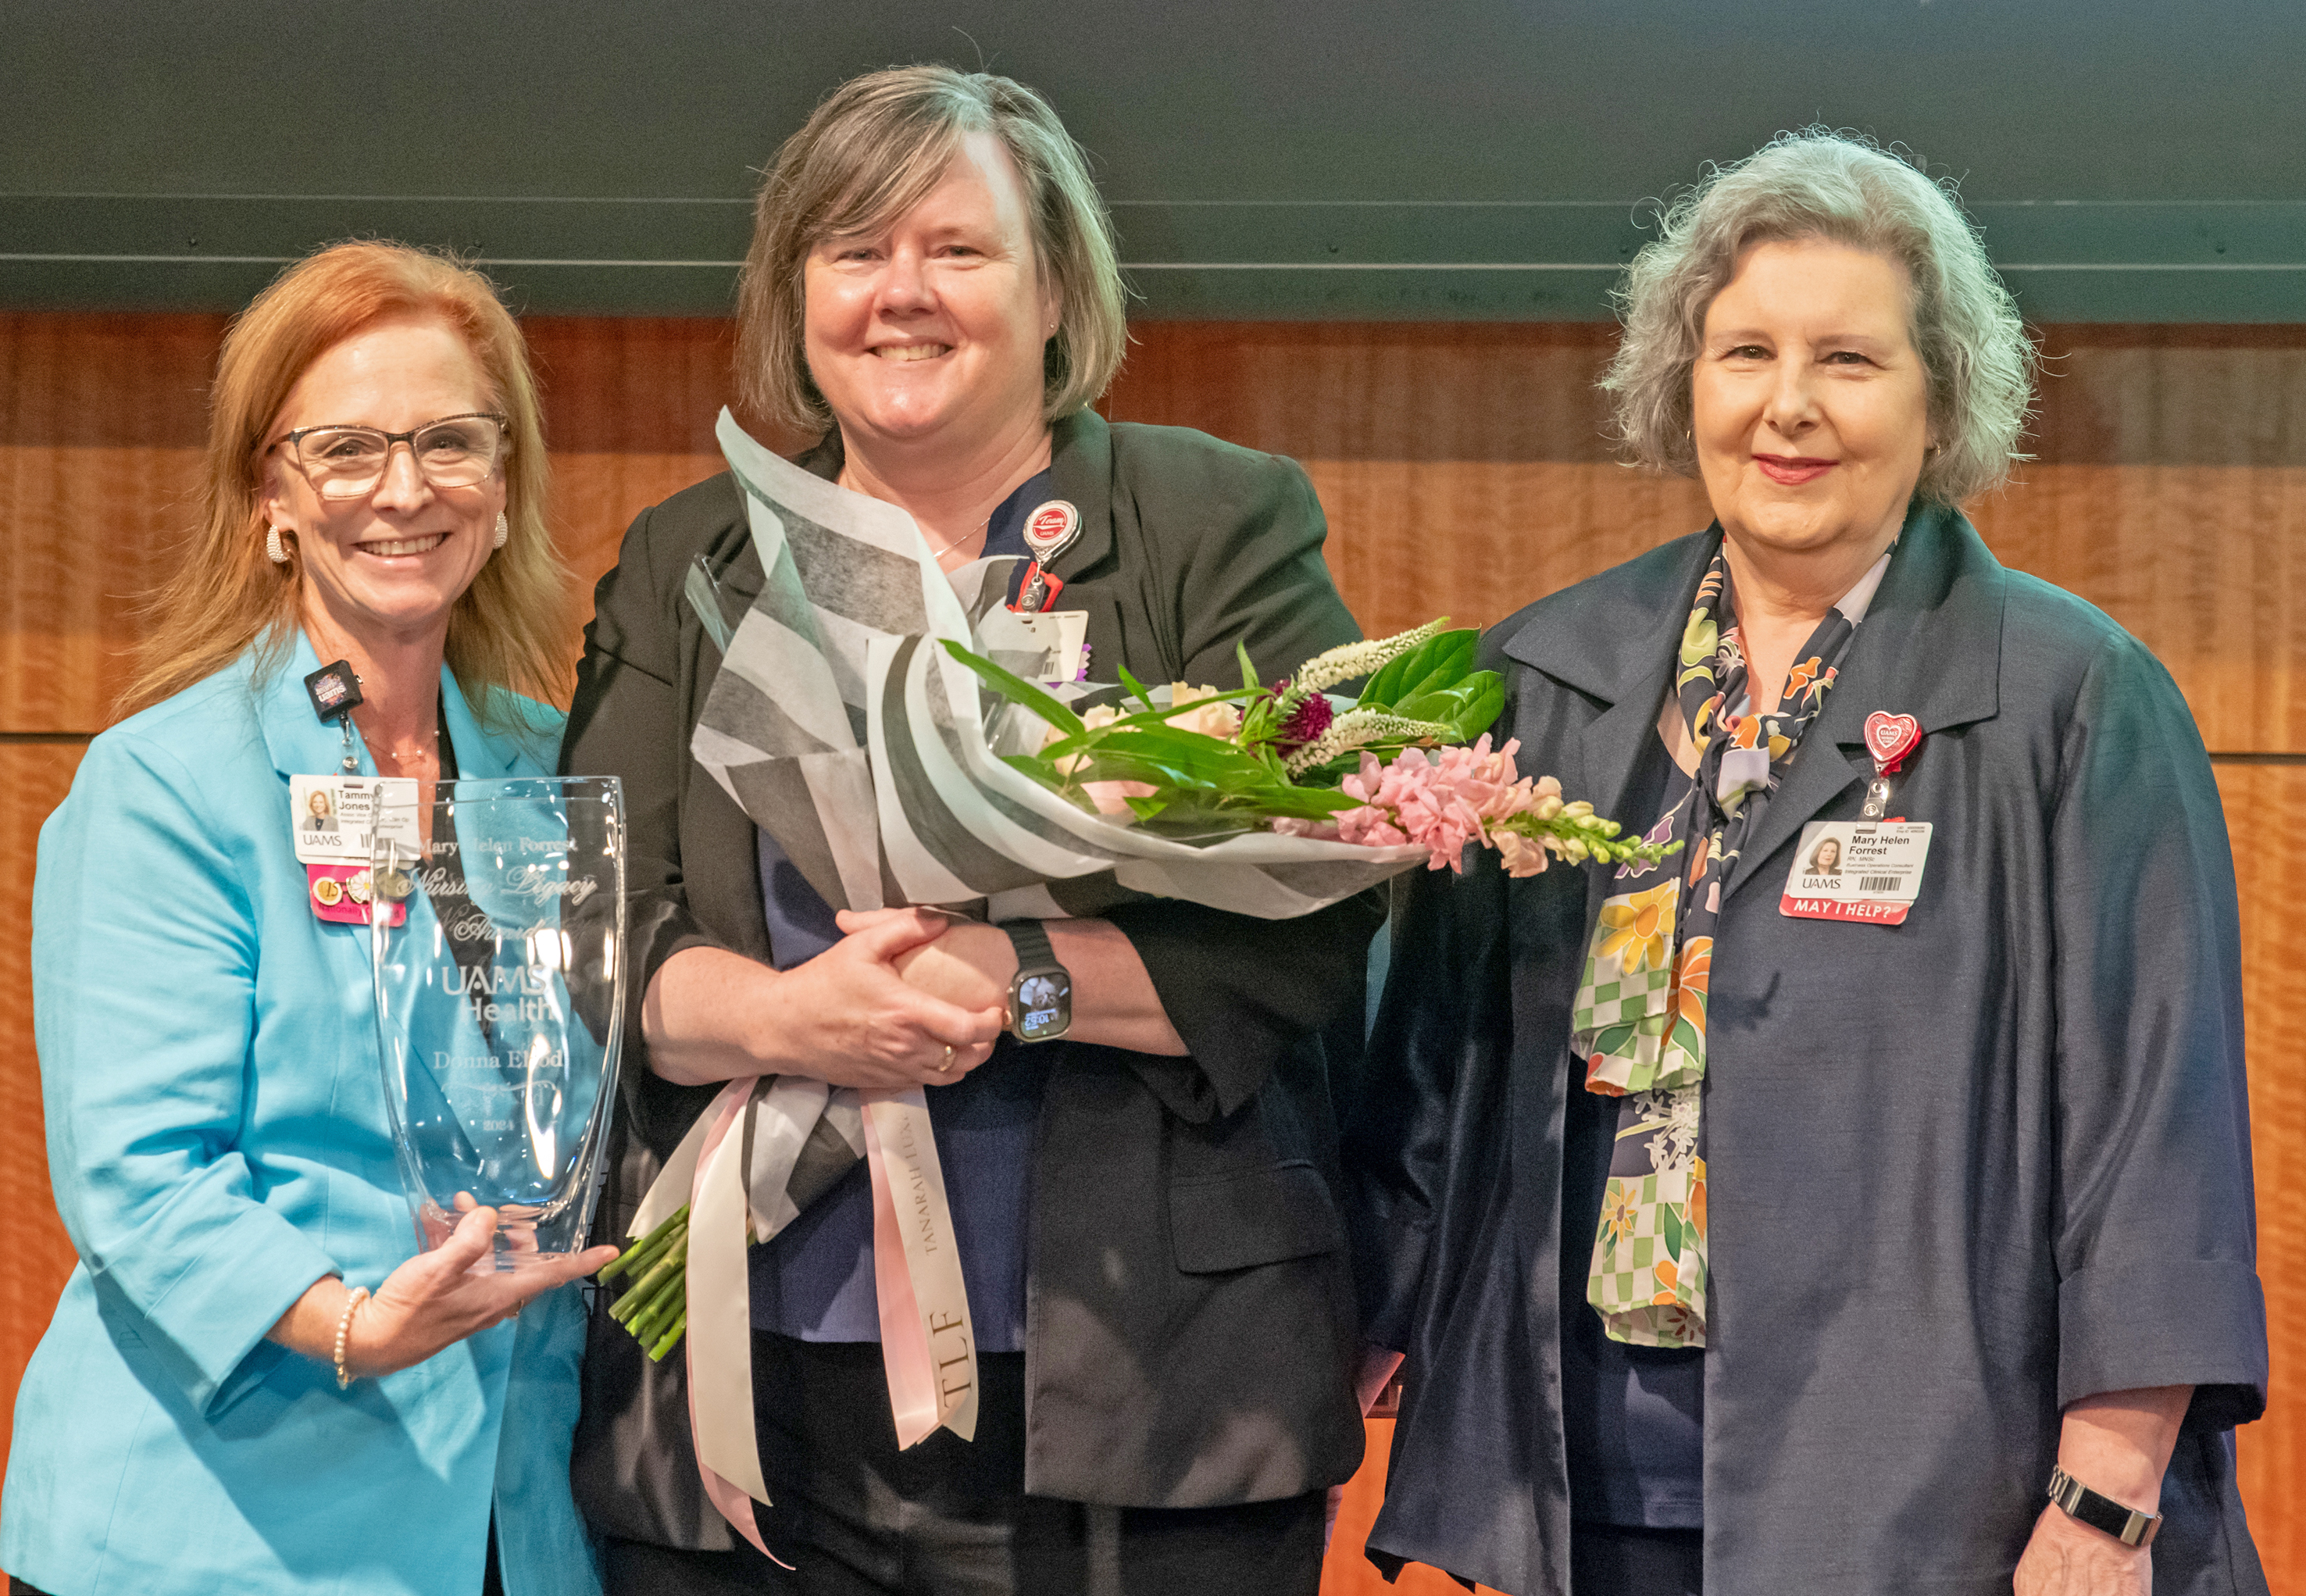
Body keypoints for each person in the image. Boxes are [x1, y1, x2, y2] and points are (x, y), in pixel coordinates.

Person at [1348, 131, 2267, 1596]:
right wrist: (1360, 1334)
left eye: (1848, 360)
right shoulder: (1546, 675)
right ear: (1681, 382)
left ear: (1937, 396)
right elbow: (1433, 1079)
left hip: (1938, 1496)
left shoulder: (2068, 694)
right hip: (1580, 1478)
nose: (1788, 408)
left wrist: (2109, 1494)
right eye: (1744, 354)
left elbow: (2156, 1122)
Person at [563, 66, 1380, 1596]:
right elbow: (598, 930)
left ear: (1059, 281)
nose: (900, 294)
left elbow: (1321, 913)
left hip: (1155, 1393)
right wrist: (793, 1015)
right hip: (746, 1390)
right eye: (852, 250)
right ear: (792, 291)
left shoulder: (1215, 524)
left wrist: (1025, 980)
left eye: (958, 248)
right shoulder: (694, 556)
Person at [3, 242, 616, 1596]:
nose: (404, 489)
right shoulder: (168, 783)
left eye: (451, 441)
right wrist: (347, 1323)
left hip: (517, 1523)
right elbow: (142, 1175)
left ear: (503, 488)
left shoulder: (554, 769)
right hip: (218, 1534)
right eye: (345, 448)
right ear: (269, 496)